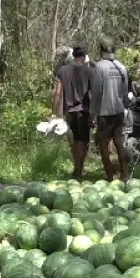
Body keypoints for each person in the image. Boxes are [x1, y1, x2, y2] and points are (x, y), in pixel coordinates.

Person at [89, 37, 130, 182]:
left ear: (100, 50)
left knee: (103, 144)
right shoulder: (121, 67)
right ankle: (125, 175)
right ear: (115, 50)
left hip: (104, 114)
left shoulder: (100, 67)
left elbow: (96, 93)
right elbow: (125, 93)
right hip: (119, 112)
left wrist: (92, 113)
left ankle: (110, 176)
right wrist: (125, 108)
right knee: (120, 142)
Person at [53, 45, 94, 179]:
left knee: (75, 140)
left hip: (69, 112)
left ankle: (77, 169)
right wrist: (95, 113)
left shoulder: (63, 70)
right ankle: (79, 171)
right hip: (83, 111)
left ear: (73, 56)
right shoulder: (89, 72)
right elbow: (94, 93)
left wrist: (54, 113)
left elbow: (58, 93)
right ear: (83, 56)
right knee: (82, 141)